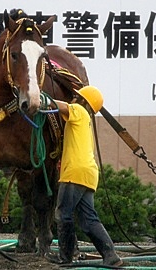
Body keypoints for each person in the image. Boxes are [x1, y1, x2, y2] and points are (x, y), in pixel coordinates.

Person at [44, 86, 123, 267]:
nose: (73, 98)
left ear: (83, 101)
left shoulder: (79, 111)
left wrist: (42, 99)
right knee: (88, 220)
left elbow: (61, 107)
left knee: (63, 215)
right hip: (88, 173)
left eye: (76, 96)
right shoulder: (85, 122)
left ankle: (66, 258)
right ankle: (110, 256)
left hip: (75, 173)